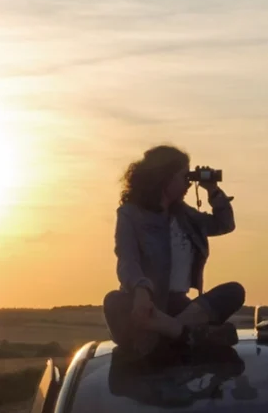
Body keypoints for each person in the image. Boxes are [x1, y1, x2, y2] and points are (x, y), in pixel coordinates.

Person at [103, 144, 246, 360]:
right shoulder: (131, 214)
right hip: (147, 304)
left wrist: (212, 190)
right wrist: (141, 290)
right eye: (184, 176)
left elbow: (224, 224)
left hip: (181, 307)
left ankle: (165, 332)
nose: (188, 183)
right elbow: (127, 258)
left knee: (234, 291)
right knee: (114, 300)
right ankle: (183, 334)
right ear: (164, 177)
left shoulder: (185, 215)